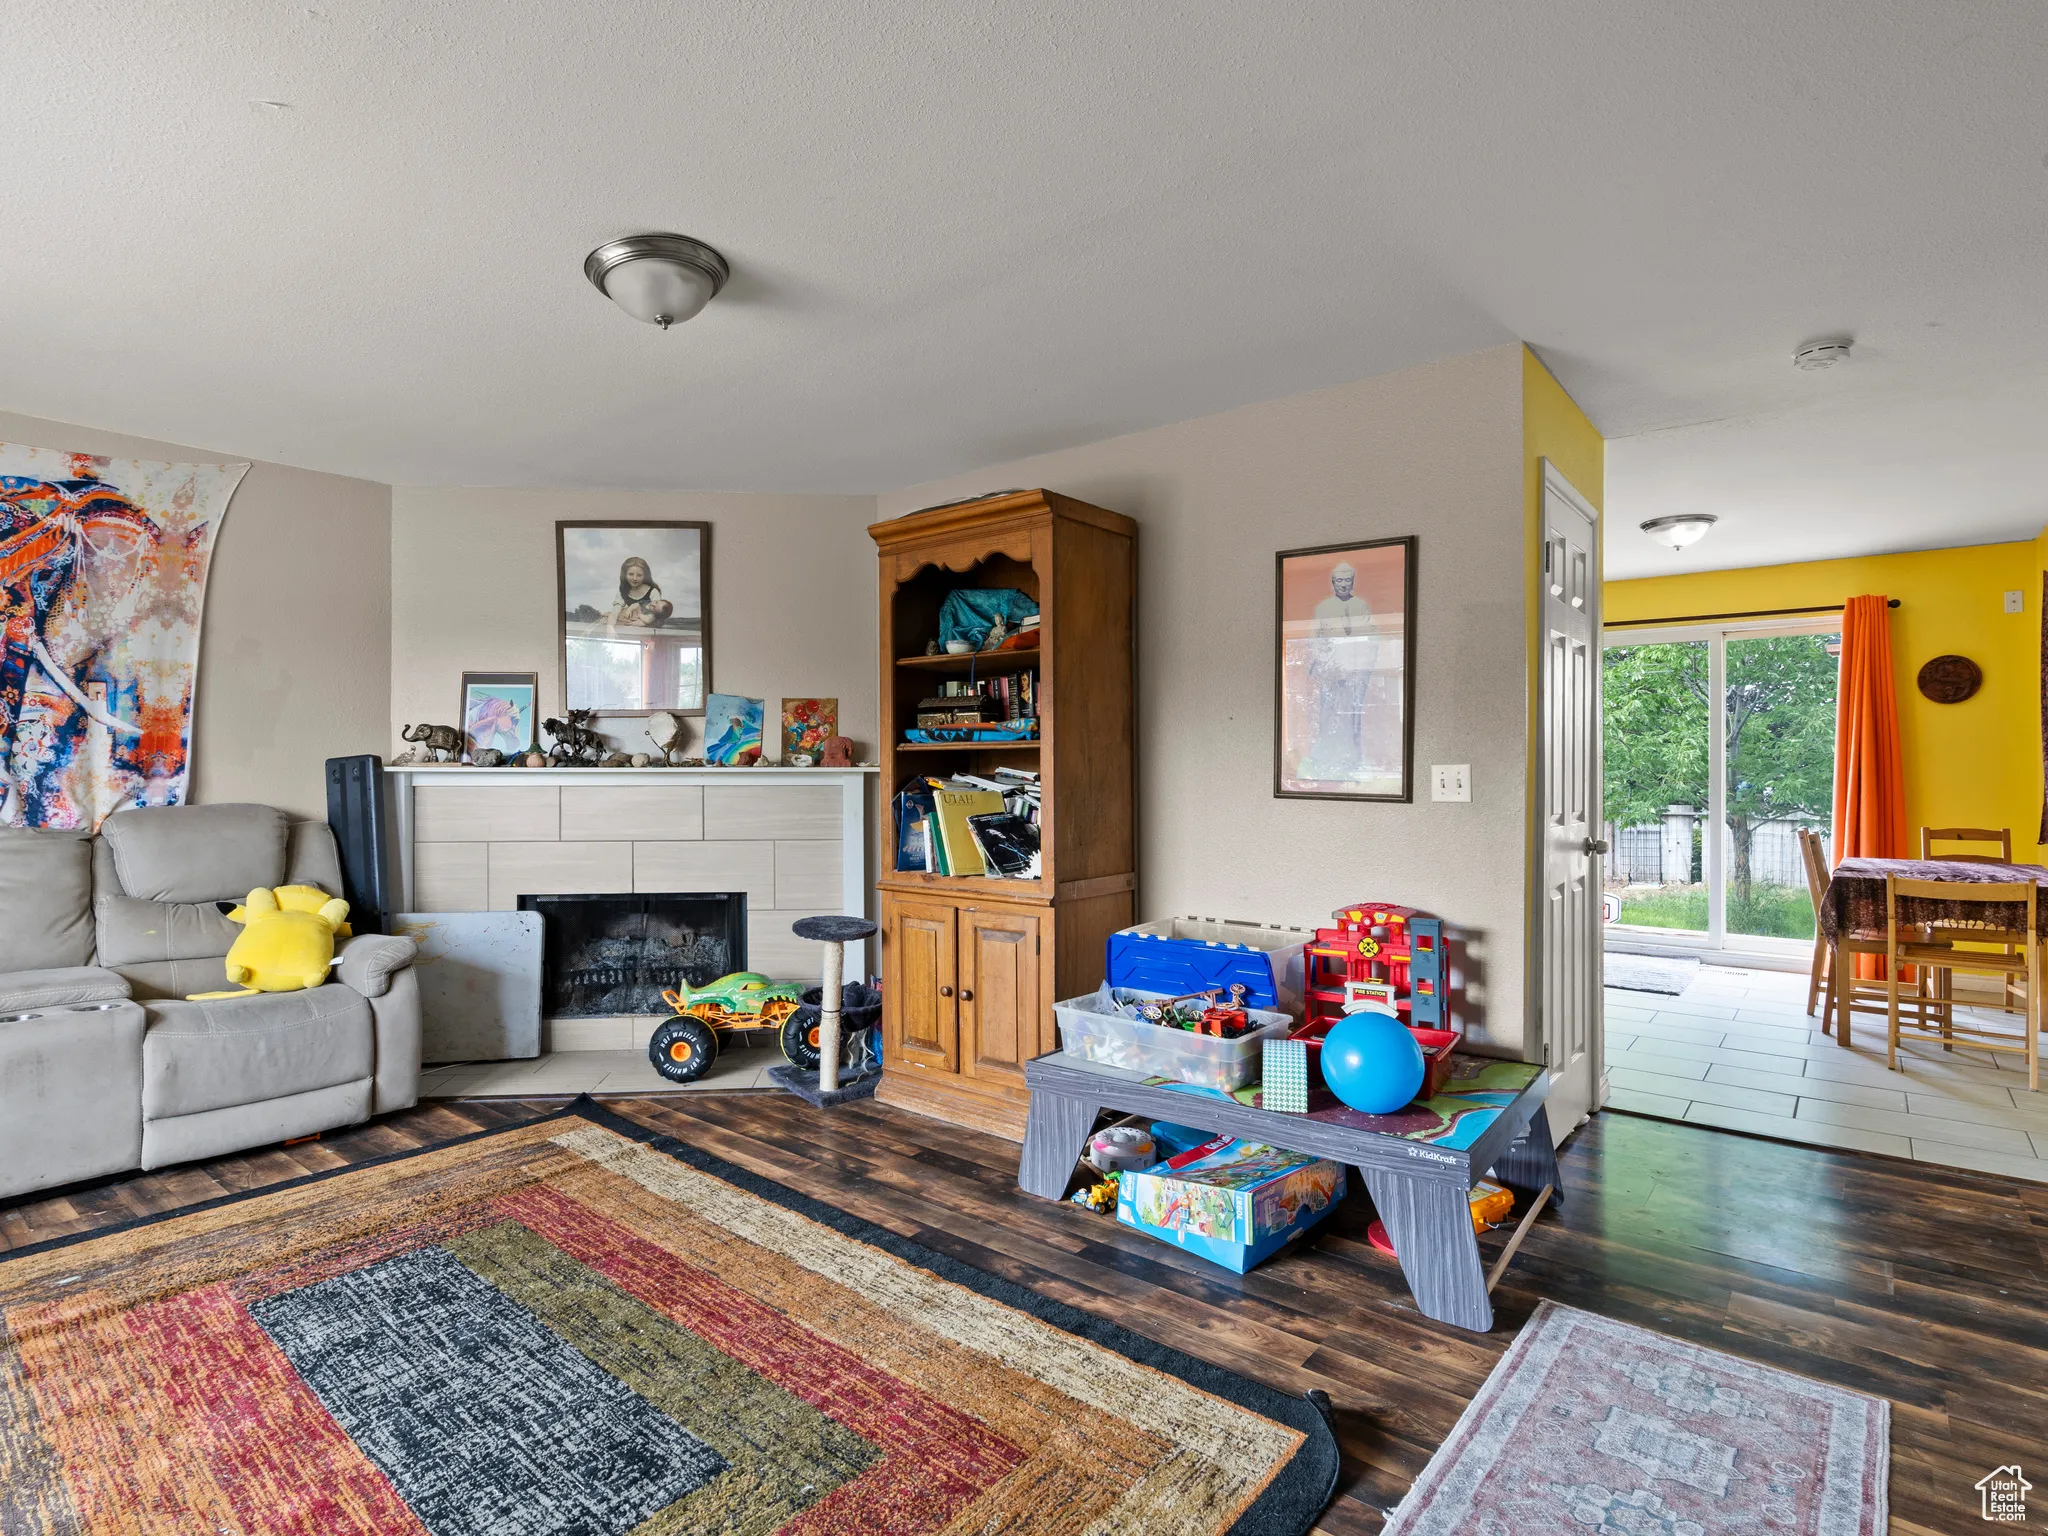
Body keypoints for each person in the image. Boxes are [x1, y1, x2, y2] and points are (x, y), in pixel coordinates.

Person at [609, 556, 674, 629]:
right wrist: (610, 627)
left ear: (645, 576)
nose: (635, 578)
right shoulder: (623, 590)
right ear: (625, 574)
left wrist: (644, 624)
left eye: (639, 575)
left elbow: (659, 619)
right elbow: (616, 611)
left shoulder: (652, 592)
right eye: (631, 574)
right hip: (628, 625)